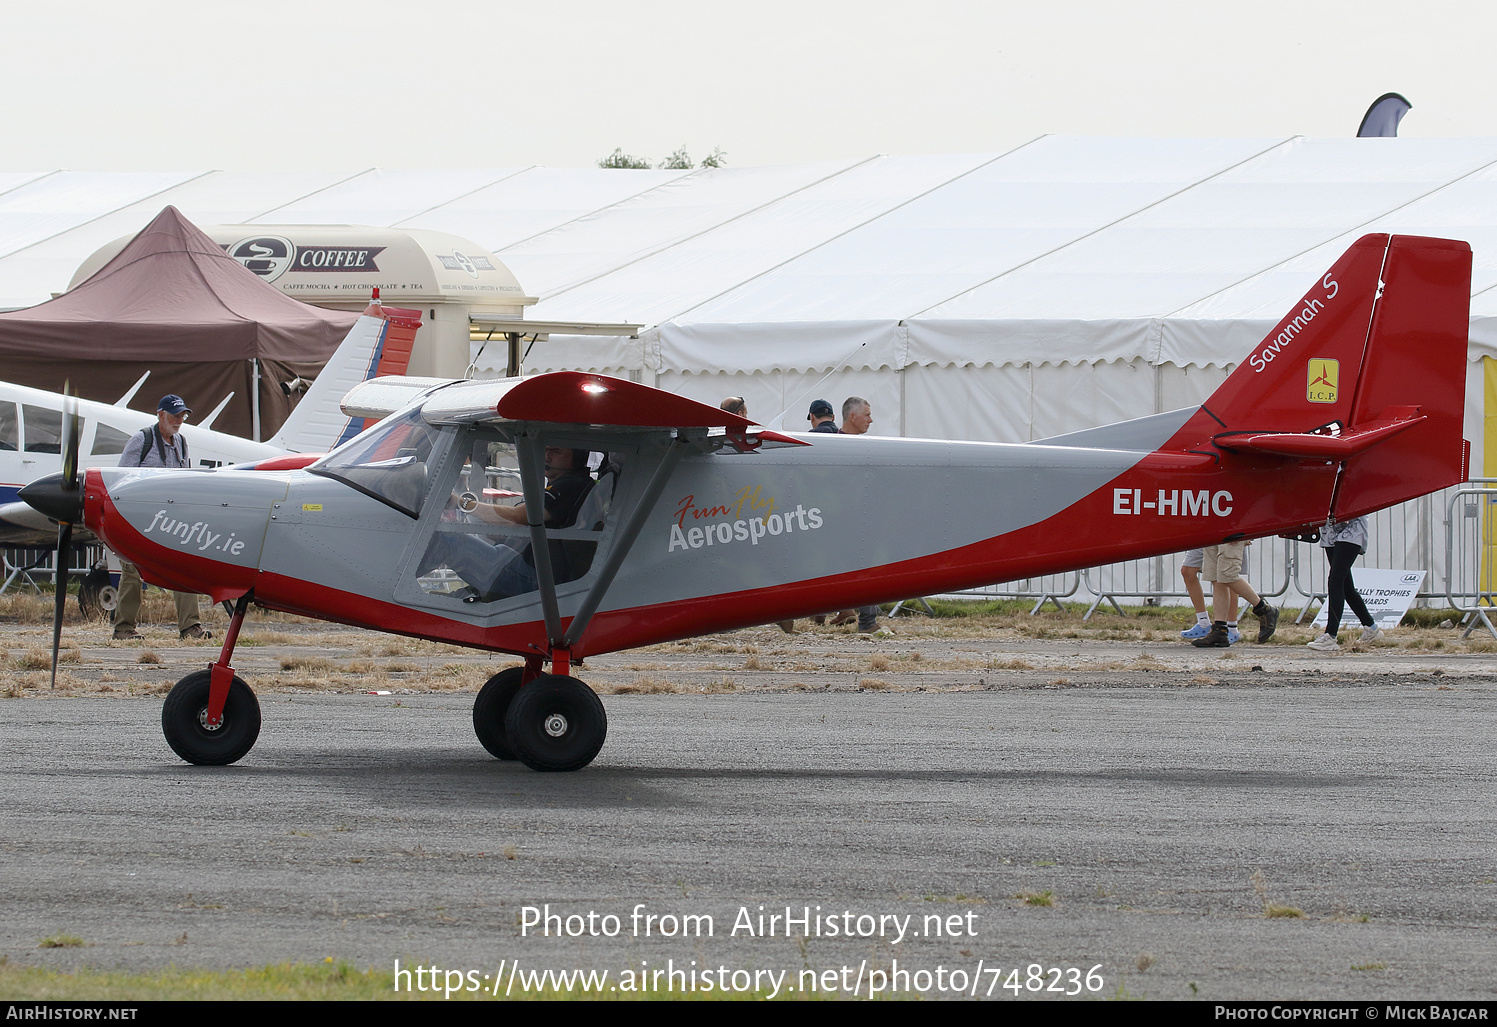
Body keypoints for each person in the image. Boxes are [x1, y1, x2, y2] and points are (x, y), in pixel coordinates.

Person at [436, 446, 593, 600]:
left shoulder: (572, 484)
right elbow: (513, 525)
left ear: (578, 455)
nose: (546, 457)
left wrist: (461, 503)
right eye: (544, 450)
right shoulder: (564, 484)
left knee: (447, 541)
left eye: (555, 451)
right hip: (518, 564)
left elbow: (519, 517)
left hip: (530, 577)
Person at [112, 395, 209, 642]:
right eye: (175, 415)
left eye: (182, 416)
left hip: (171, 519)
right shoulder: (141, 440)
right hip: (139, 518)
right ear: (160, 415)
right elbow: (120, 480)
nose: (179, 420)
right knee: (132, 573)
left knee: (181, 569)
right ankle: (123, 629)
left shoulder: (181, 442)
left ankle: (190, 627)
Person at [837, 396, 885, 634]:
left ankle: (866, 619)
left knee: (864, 569)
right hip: (843, 521)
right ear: (853, 417)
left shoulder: (863, 447)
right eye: (867, 414)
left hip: (859, 521)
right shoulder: (836, 447)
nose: (871, 419)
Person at [1307, 515, 1381, 651]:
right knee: (1346, 586)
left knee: (1336, 580)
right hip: (1330, 527)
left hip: (1352, 527)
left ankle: (1331, 635)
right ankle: (1371, 628)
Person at [1190, 541, 1278, 647]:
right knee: (1216, 578)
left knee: (1229, 575)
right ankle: (1220, 629)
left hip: (1231, 531)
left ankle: (1264, 609)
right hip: (1211, 531)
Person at [1179, 548, 1239, 643]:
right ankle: (1203, 622)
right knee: (1187, 570)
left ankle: (1231, 627)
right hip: (1205, 538)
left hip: (1226, 541)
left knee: (1227, 576)